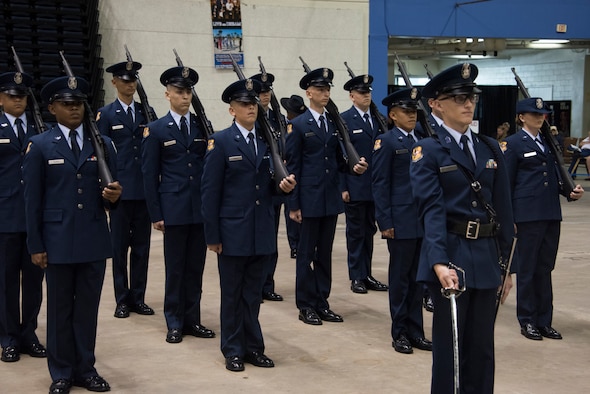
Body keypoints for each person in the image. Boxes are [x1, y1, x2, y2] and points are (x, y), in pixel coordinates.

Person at [410, 63, 515, 394]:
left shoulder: (489, 147)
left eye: (470, 97)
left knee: (483, 349)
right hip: (452, 257)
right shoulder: (427, 151)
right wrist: (438, 261)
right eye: (458, 98)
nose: (467, 104)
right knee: (450, 350)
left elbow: (503, 210)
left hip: (486, 259)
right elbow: (431, 211)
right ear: (436, 105)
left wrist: (508, 267)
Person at [24, 75, 122, 394]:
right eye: (67, 104)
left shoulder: (103, 143)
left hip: (93, 238)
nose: (74, 109)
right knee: (59, 310)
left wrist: (113, 197)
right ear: (52, 108)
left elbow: (114, 193)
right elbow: (32, 201)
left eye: (78, 103)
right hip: (58, 240)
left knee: (87, 310)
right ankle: (61, 372)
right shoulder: (40, 146)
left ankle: (85, 368)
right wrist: (36, 245)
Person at [201, 78, 296, 372]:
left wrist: (284, 186)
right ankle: (232, 349)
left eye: (253, 103)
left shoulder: (269, 141)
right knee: (232, 295)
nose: (250, 108)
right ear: (232, 110)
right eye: (243, 104)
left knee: (253, 295)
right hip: (232, 232)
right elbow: (209, 193)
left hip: (261, 230)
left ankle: (254, 347)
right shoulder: (221, 142)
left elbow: (269, 187)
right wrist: (213, 236)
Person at [286, 67, 368, 325]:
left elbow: (337, 160)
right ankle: (305, 304)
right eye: (320, 89)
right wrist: (293, 204)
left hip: (329, 199)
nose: (325, 93)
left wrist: (353, 168)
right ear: (308, 93)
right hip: (308, 200)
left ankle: (322, 301)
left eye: (328, 89)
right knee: (306, 254)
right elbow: (293, 167)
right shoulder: (297, 125)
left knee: (325, 254)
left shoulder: (333, 123)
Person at [141, 66, 215, 344]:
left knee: (195, 268)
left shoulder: (201, 126)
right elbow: (149, 175)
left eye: (188, 92)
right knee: (175, 268)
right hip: (173, 208)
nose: (185, 97)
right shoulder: (156, 129)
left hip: (199, 209)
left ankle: (192, 318)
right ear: (167, 94)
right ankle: (174, 320)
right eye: (180, 92)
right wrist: (155, 213)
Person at [503, 98, 584, 341]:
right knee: (527, 269)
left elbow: (554, 177)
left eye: (542, 114)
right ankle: (527, 320)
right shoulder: (513, 144)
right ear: (521, 117)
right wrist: (510, 217)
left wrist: (569, 191)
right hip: (527, 215)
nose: (540, 117)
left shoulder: (550, 142)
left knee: (545, 269)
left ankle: (544, 321)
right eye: (533, 114)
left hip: (550, 213)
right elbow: (506, 184)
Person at [372, 87, 431, 354]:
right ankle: (400, 333)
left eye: (414, 112)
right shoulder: (387, 142)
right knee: (400, 280)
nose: (412, 116)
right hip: (400, 221)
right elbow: (380, 184)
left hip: (421, 220)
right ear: (393, 115)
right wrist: (385, 222)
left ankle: (416, 331)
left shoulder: (421, 140)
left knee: (418, 280)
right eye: (406, 112)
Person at [97, 61, 155, 319]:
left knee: (142, 249)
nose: (129, 84)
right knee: (119, 249)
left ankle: (138, 298)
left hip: (143, 191)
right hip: (119, 191)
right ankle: (122, 299)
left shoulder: (147, 112)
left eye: (133, 80)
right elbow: (100, 155)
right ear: (114, 82)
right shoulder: (106, 114)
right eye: (124, 79)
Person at [0, 71, 46, 363]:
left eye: (22, 97)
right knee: (5, 281)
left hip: (35, 218)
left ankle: (29, 332)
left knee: (33, 279)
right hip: (4, 216)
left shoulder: (40, 129)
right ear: (1, 98)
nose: (18, 101)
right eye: (12, 96)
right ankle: (8, 336)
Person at [340, 74, 387, 294]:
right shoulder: (344, 120)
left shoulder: (379, 119)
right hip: (355, 185)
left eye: (368, 92)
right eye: (361, 93)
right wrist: (343, 186)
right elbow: (339, 156)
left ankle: (367, 274)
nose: (366, 96)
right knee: (356, 232)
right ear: (352, 96)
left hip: (375, 186)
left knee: (369, 231)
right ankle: (356, 275)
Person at [250, 72, 284, 302]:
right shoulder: (250, 119)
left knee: (271, 238)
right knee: (254, 238)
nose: (265, 96)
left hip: (276, 186)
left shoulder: (278, 119)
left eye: (267, 92)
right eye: (261, 92)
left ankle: (267, 283)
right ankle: (255, 283)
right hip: (256, 187)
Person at [280, 94, 307, 259]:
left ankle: (297, 243)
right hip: (289, 172)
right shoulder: (290, 125)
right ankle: (295, 244)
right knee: (291, 210)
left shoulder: (295, 126)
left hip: (297, 172)